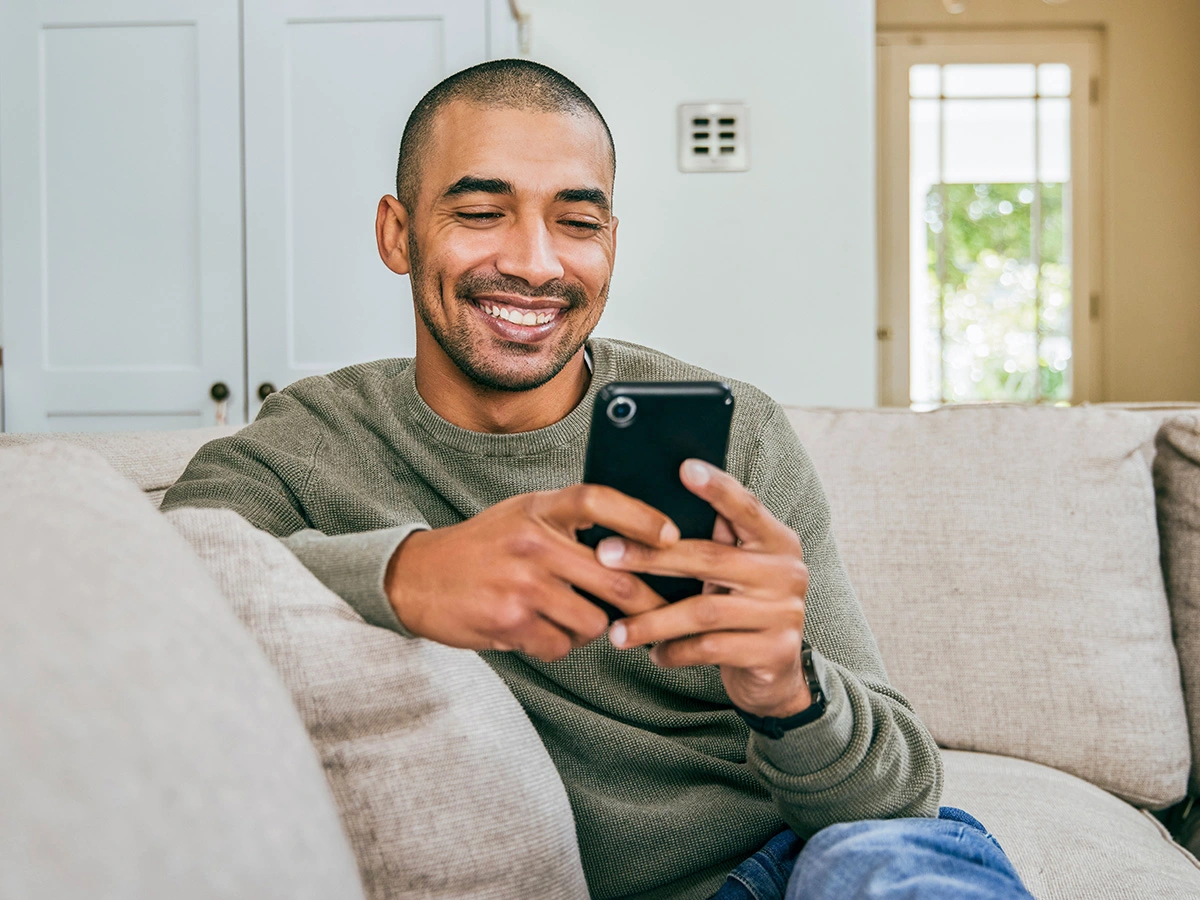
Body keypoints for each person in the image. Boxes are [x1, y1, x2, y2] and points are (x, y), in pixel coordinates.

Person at [161, 59, 1033, 900]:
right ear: (398, 232)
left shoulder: (740, 435)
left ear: (610, 241)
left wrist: (788, 690)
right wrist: (407, 574)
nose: (538, 264)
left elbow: (901, 799)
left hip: (788, 863)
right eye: (480, 211)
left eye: (577, 223)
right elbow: (146, 585)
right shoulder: (315, 443)